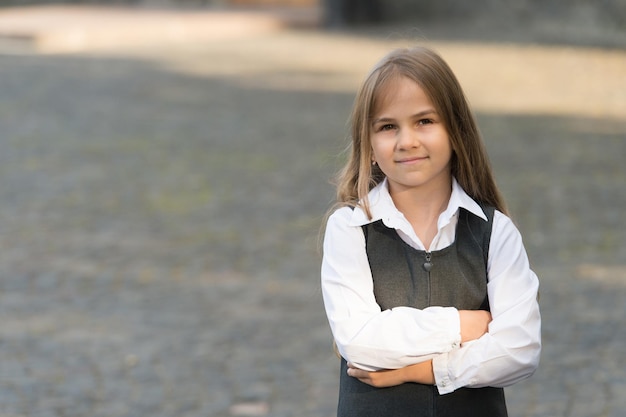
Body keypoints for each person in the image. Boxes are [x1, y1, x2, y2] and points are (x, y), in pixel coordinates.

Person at [320, 46, 541, 417]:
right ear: (370, 146)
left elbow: (519, 349)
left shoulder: (495, 232)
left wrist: (420, 370)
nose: (407, 141)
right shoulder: (350, 228)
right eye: (388, 126)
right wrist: (465, 325)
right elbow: (359, 341)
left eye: (424, 121)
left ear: (456, 132)